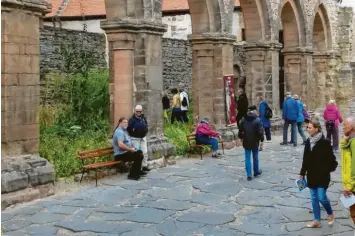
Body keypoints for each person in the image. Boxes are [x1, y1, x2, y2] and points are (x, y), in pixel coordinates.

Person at [299, 118, 338, 228]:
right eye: (307, 127)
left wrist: (327, 169)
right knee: (314, 198)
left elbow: (333, 160)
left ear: (316, 129)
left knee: (321, 197)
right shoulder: (308, 142)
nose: (307, 129)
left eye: (310, 128)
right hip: (311, 175)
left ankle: (330, 214)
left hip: (322, 176)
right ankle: (316, 220)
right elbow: (305, 158)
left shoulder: (325, 142)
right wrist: (302, 173)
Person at [238, 105, 264, 181]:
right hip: (255, 141)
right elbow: (260, 132)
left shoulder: (243, 119)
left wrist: (241, 138)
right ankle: (256, 171)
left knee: (247, 158)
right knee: (255, 156)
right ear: (254, 111)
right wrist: (262, 141)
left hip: (246, 141)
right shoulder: (258, 120)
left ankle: (249, 175)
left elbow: (240, 130)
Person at [127, 105, 151, 172]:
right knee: (138, 153)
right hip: (135, 138)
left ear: (141, 111)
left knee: (145, 152)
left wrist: (146, 130)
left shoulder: (143, 118)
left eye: (140, 111)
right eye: (137, 111)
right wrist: (133, 131)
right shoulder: (131, 119)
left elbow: (146, 125)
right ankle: (138, 168)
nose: (138, 113)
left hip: (143, 137)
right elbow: (128, 128)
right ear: (135, 111)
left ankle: (144, 166)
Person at [340, 117, 355, 224]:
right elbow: (343, 146)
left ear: (351, 127)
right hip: (351, 185)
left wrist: (349, 186)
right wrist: (345, 137)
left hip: (352, 186)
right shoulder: (350, 140)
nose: (343, 127)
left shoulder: (354, 142)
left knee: (354, 214)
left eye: (344, 125)